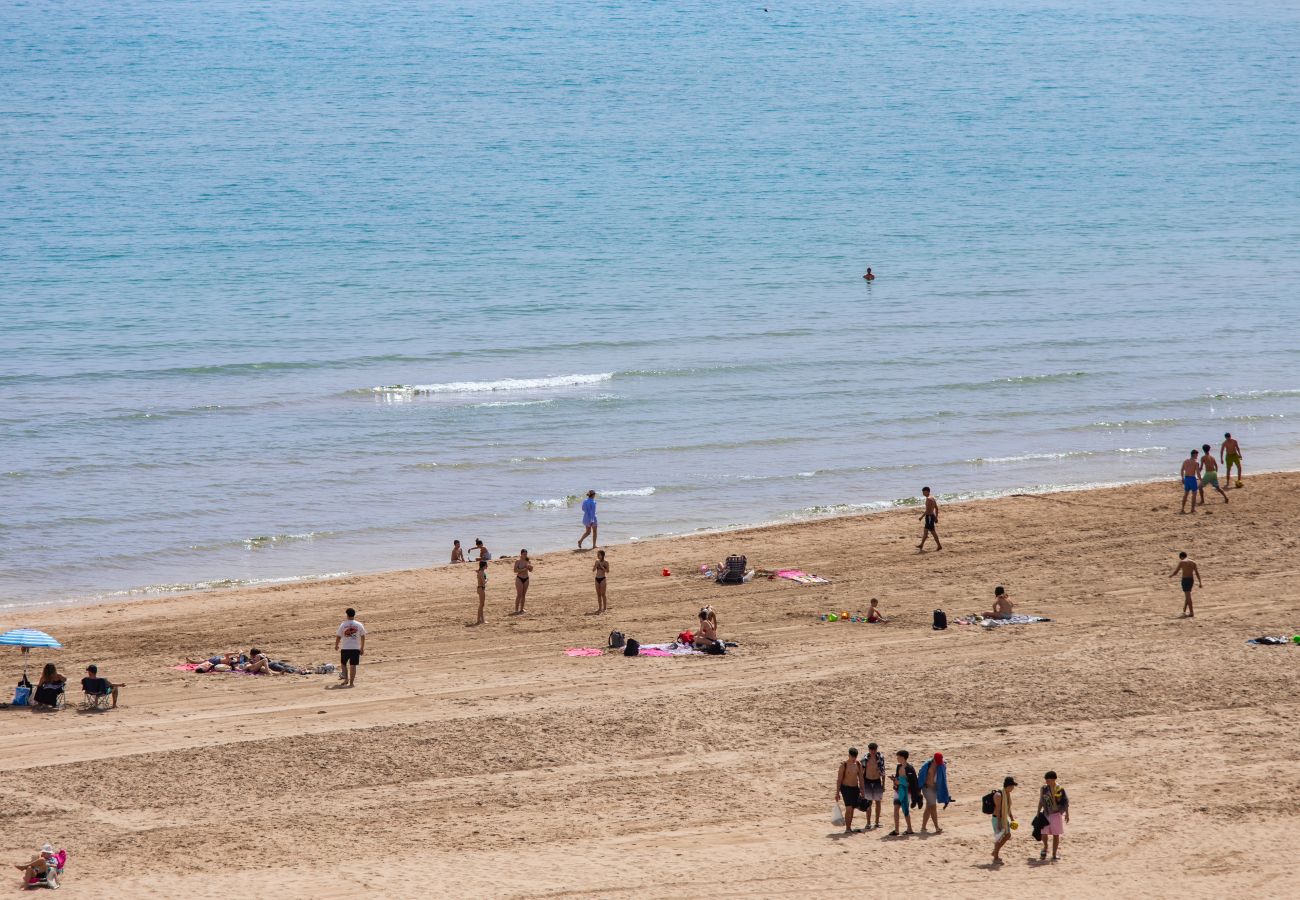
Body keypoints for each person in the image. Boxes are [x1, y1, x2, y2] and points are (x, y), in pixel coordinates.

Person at [1037, 770, 1070, 861]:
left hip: (1056, 814)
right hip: (1046, 813)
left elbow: (1066, 802)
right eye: (1046, 779)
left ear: (1054, 779)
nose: (1047, 781)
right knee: (1044, 833)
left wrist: (1067, 814)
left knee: (1056, 835)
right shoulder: (1044, 789)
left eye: (1048, 779)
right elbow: (1041, 801)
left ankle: (1054, 854)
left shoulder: (1060, 789)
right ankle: (1045, 847)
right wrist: (1038, 812)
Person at [917, 752, 952, 834]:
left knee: (929, 808)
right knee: (933, 807)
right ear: (934, 759)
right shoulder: (926, 766)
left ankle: (923, 827)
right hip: (927, 788)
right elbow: (921, 777)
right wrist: (918, 789)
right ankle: (937, 827)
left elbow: (943, 778)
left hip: (935, 788)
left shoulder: (942, 765)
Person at [835, 748, 866, 833]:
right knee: (848, 808)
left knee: (852, 808)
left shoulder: (858, 764)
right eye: (852, 756)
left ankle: (849, 827)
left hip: (855, 789)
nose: (853, 758)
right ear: (849, 755)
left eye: (855, 757)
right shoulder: (843, 765)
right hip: (846, 788)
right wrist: (837, 793)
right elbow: (839, 780)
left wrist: (862, 790)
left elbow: (861, 778)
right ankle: (847, 828)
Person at [334, 607, 366, 687]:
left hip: (345, 648)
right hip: (355, 648)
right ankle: (351, 683)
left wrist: (336, 645)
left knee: (343, 664)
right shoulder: (359, 624)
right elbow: (363, 636)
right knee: (353, 665)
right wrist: (362, 647)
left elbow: (338, 636)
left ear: (347, 615)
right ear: (354, 615)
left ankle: (346, 679)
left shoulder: (343, 624)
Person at [890, 750, 919, 835]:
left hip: (906, 792)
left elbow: (911, 782)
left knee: (905, 810)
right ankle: (896, 830)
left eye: (898, 757)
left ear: (902, 757)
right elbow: (898, 778)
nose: (897, 758)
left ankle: (909, 829)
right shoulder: (898, 767)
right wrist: (894, 780)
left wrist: (899, 782)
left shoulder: (910, 768)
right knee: (896, 809)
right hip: (898, 790)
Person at [991, 776, 1017, 864]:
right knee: (999, 838)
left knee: (1007, 835)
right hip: (997, 819)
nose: (1013, 788)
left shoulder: (1007, 794)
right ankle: (995, 857)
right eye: (1012, 786)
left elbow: (1008, 808)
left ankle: (995, 852)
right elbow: (998, 810)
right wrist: (998, 823)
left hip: (1003, 819)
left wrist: (1012, 818)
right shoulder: (999, 795)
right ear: (1008, 786)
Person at [861, 743, 886, 829]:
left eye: (874, 749)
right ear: (868, 749)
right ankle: (868, 823)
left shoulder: (880, 758)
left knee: (878, 802)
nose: (872, 751)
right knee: (868, 803)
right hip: (867, 781)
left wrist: (883, 784)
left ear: (876, 749)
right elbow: (861, 771)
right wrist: (861, 784)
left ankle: (877, 822)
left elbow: (883, 771)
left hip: (877, 781)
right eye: (871, 749)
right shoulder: (865, 758)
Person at [1170, 551, 1202, 617]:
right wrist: (1200, 582)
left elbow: (1176, 572)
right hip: (1191, 580)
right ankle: (1184, 611)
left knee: (1188, 596)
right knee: (1187, 596)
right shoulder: (1193, 562)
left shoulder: (1182, 562)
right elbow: (1197, 573)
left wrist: (1171, 575)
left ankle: (1191, 612)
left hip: (1185, 580)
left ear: (1181, 557)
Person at [512, 549, 533, 615]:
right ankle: (516, 609)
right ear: (521, 554)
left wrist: (531, 567)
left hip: (526, 578)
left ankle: (522, 609)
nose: (525, 555)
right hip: (519, 578)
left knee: (524, 595)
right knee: (519, 594)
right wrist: (524, 569)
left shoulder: (528, 561)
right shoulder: (517, 561)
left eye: (526, 554)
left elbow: (530, 571)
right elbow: (515, 570)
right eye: (524, 554)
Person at [1179, 449, 1201, 513]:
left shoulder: (1185, 461)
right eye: (1197, 454)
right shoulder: (1196, 462)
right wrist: (1200, 479)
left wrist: (1182, 478)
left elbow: (1182, 470)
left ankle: (1182, 509)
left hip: (1186, 478)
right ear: (1194, 454)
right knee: (1194, 494)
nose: (1197, 456)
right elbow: (1198, 473)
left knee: (1186, 494)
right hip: (1192, 479)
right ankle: (1192, 509)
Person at [592, 549, 610, 614]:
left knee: (603, 594)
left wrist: (603, 568)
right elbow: (593, 570)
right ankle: (600, 608)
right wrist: (596, 565)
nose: (597, 556)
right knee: (598, 594)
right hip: (597, 579)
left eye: (599, 555)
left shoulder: (606, 562)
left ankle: (605, 608)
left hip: (603, 579)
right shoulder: (596, 561)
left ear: (602, 555)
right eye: (597, 554)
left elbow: (608, 571)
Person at [473, 559, 488, 626]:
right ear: (483, 566)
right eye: (486, 565)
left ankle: (481, 620)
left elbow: (478, 572)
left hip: (480, 588)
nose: (487, 566)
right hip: (481, 588)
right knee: (481, 605)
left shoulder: (480, 571)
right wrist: (487, 579)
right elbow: (483, 582)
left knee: (482, 605)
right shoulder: (481, 572)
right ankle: (479, 620)